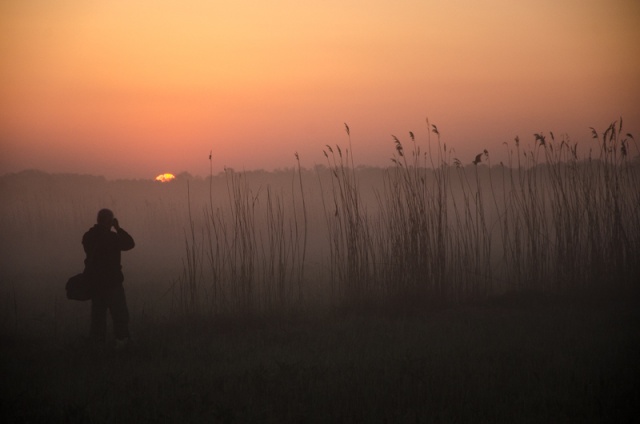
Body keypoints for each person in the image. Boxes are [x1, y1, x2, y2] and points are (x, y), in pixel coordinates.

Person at [82, 208, 135, 347]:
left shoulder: (88, 236)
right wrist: (118, 228)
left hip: (96, 283)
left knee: (98, 316)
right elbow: (130, 244)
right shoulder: (113, 238)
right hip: (113, 283)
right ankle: (121, 342)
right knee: (120, 315)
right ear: (109, 221)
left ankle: (97, 345)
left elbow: (87, 243)